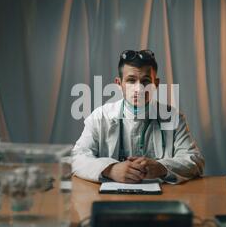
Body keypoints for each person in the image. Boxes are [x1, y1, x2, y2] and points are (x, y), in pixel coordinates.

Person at [72, 50, 204, 184]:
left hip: (162, 199)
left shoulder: (173, 118)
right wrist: (110, 170)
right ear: (119, 84)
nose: (139, 89)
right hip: (111, 200)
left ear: (156, 84)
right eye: (131, 81)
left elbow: (195, 160)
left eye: (146, 81)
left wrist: (161, 167)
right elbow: (76, 157)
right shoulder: (100, 117)